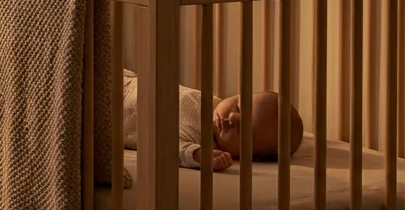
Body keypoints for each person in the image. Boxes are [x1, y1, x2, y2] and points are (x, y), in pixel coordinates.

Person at [122, 69, 304, 171]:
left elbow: (164, 146)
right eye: (238, 106)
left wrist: (199, 156)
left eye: (242, 130)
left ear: (251, 156)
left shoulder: (199, 138)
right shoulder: (209, 102)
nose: (230, 118)